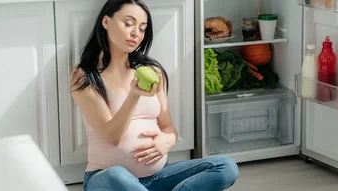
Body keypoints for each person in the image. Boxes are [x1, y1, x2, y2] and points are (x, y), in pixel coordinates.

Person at [69, 0, 239, 190]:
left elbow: (168, 127)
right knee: (117, 174)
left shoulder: (152, 71)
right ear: (106, 22)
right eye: (128, 23)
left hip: (157, 177)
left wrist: (167, 141)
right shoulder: (84, 76)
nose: (136, 33)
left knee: (226, 167)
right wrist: (134, 95)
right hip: (106, 179)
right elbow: (112, 136)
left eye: (142, 28)